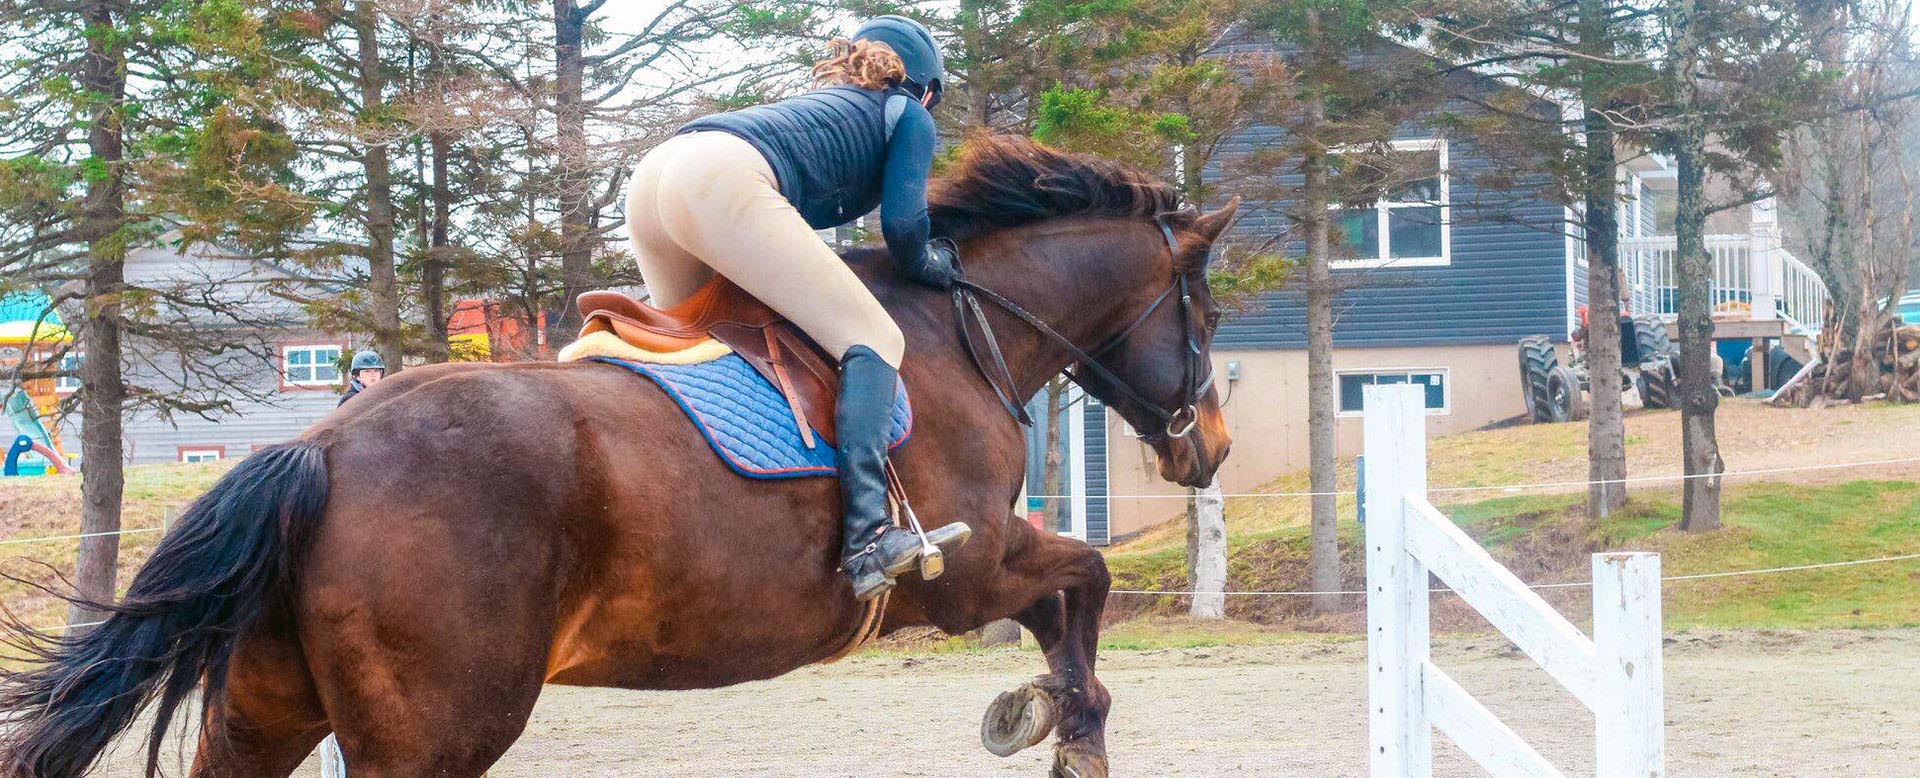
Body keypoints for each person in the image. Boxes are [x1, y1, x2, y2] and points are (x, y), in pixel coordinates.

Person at [622, 15, 961, 602]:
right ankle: (868, 538)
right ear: (925, 86)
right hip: (719, 178)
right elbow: (905, 230)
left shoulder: (827, 102)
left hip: (656, 176)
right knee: (876, 340)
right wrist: (937, 266)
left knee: (697, 348)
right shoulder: (909, 113)